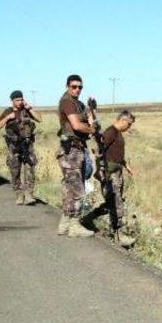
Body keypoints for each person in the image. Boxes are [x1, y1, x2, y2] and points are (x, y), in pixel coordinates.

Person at [56, 74, 96, 237]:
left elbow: (92, 121)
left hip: (77, 149)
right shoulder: (67, 102)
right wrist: (92, 130)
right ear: (67, 86)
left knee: (70, 187)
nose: (77, 89)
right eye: (74, 86)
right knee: (77, 188)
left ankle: (64, 224)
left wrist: (92, 109)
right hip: (70, 151)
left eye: (80, 87)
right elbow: (77, 125)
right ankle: (74, 226)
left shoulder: (79, 104)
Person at [0, 90, 42, 205]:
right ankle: (19, 194)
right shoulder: (8, 111)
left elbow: (39, 119)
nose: (20, 102)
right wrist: (7, 118)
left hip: (27, 146)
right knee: (15, 171)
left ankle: (29, 194)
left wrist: (30, 108)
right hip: (14, 147)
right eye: (17, 100)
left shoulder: (26, 110)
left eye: (21, 99)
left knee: (30, 170)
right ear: (12, 101)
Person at [101, 110, 136, 246]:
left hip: (117, 171)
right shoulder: (110, 132)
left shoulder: (118, 133)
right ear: (122, 120)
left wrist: (126, 165)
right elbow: (100, 151)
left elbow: (118, 154)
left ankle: (112, 230)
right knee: (116, 202)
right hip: (111, 173)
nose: (129, 127)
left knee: (115, 200)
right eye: (129, 124)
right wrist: (102, 171)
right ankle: (119, 236)